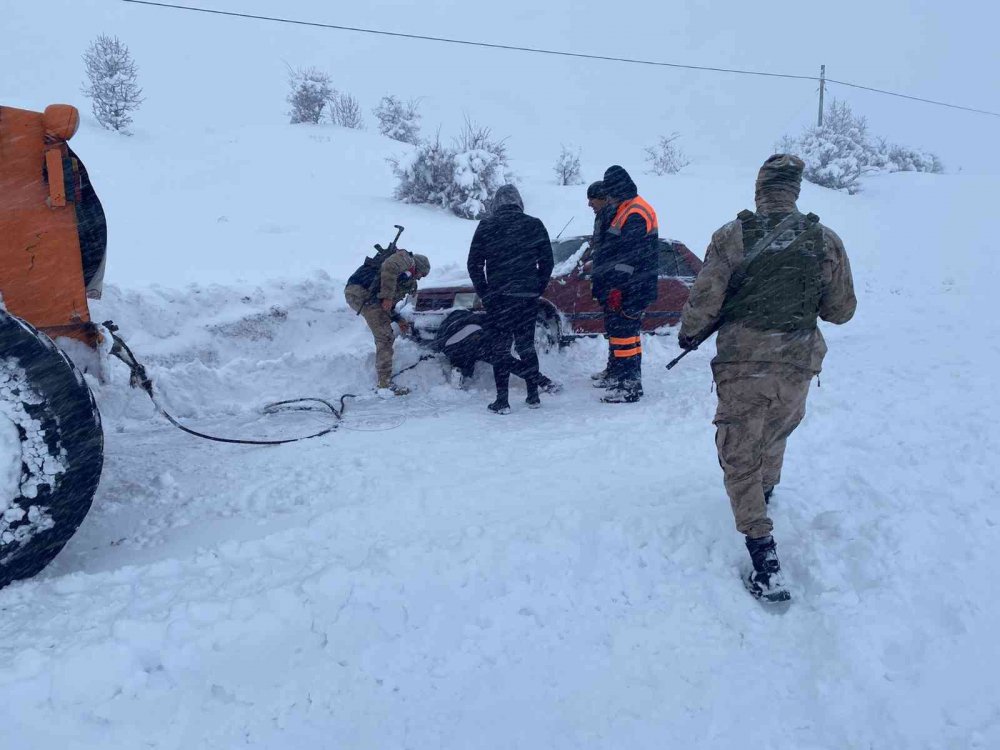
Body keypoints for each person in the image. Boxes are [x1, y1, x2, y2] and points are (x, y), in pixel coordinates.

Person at [678, 154, 857, 603]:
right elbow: (841, 310)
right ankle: (766, 494)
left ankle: (764, 558)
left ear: (759, 190)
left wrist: (688, 333)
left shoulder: (731, 235)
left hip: (743, 361)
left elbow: (705, 297)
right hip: (797, 362)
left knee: (737, 452)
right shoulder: (825, 240)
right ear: (794, 191)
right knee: (775, 432)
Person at [466, 184, 554, 414]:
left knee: (501, 349)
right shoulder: (534, 224)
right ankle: (533, 396)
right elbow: (547, 262)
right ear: (519, 202)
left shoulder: (486, 226)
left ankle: (502, 400)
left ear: (496, 204)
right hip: (526, 298)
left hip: (499, 298)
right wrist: (536, 288)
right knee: (526, 346)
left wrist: (485, 293)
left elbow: (474, 264)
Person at [590, 165, 659, 403]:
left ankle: (629, 386)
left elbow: (630, 256)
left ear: (616, 190)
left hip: (633, 286)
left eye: (609, 192)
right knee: (626, 335)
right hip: (633, 284)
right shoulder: (627, 208)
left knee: (625, 335)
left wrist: (618, 286)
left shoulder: (635, 212)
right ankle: (623, 378)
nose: (606, 197)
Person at [344, 247, 431, 395]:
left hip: (364, 294)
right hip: (361, 292)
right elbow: (389, 268)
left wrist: (398, 318)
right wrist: (388, 297)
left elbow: (385, 306)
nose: (419, 278)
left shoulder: (403, 276)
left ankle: (384, 381)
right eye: (421, 274)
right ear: (418, 267)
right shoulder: (406, 260)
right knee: (385, 337)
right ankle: (384, 384)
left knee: (385, 333)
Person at [433, 309, 561, 393]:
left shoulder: (476, 316)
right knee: (507, 362)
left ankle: (459, 371)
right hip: (468, 340)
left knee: (465, 356)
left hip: (448, 341)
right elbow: (506, 358)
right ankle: (545, 383)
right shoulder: (500, 326)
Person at [584, 180, 618, 387]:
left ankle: (618, 373)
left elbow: (611, 252)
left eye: (592, 199)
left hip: (613, 284)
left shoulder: (612, 217)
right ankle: (612, 368)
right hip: (606, 282)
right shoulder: (602, 217)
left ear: (604, 198)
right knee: (613, 331)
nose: (589, 204)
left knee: (620, 333)